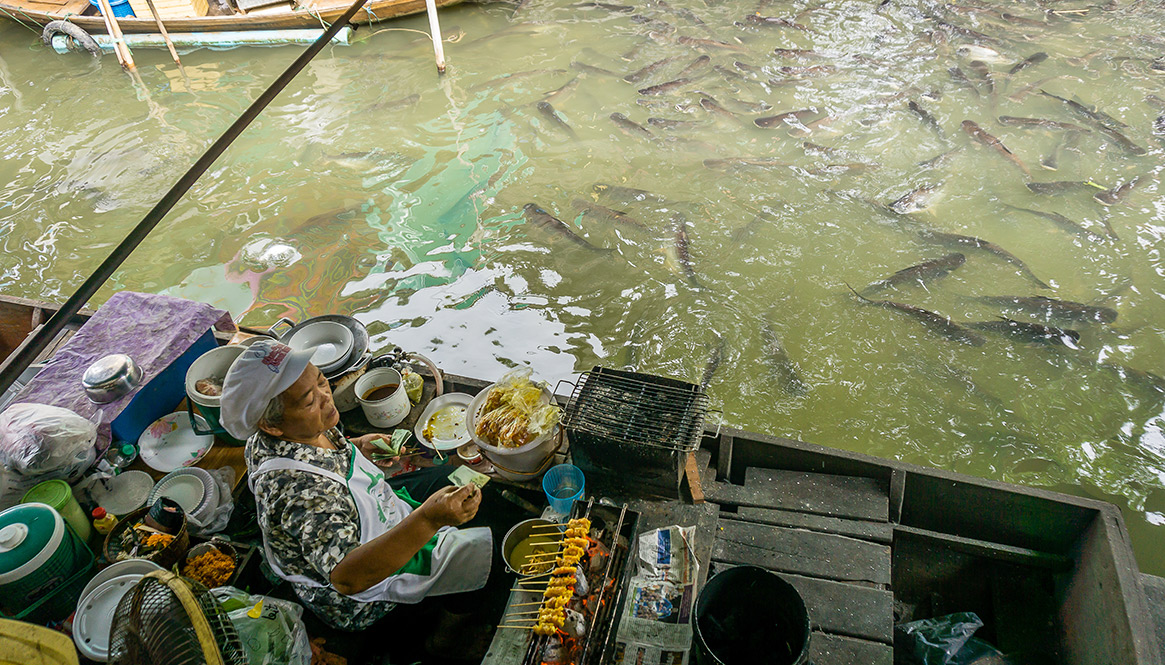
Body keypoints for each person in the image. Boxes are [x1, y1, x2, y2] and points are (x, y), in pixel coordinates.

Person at [220, 339, 517, 660]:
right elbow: (350, 578)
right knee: (485, 558)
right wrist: (430, 519)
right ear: (270, 425)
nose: (325, 397)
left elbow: (319, 451)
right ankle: (444, 640)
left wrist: (358, 447)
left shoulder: (287, 431)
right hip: (363, 590)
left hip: (368, 510)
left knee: (452, 482)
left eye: (321, 380)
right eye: (308, 401)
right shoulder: (303, 496)